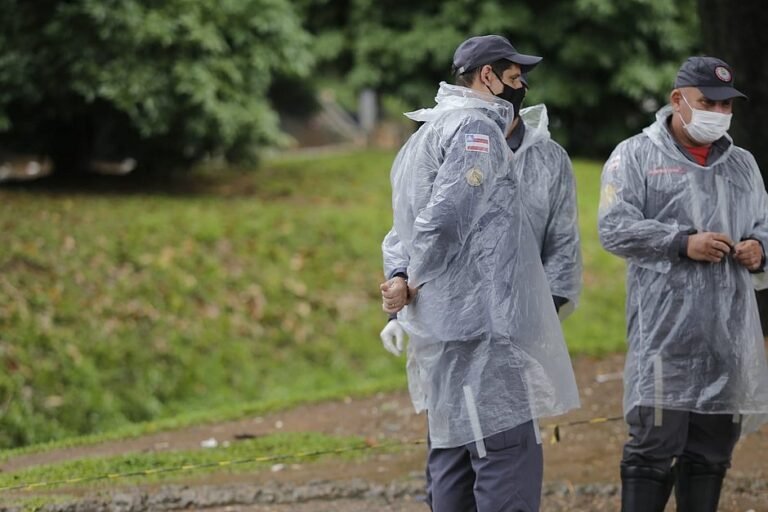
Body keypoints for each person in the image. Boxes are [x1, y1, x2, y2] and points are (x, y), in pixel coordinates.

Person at [379, 35, 580, 512]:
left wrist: (403, 277)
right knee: (504, 463)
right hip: (486, 331)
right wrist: (411, 279)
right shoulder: (476, 129)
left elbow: (403, 228)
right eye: (514, 75)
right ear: (487, 75)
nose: (521, 84)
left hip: (444, 331)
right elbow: (445, 218)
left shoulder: (427, 132)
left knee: (451, 457)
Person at [598, 56, 768, 512]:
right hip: (664, 337)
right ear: (678, 100)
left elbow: (764, 227)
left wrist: (758, 249)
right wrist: (680, 242)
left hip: (725, 337)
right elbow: (614, 227)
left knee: (711, 453)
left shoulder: (742, 165)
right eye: (707, 102)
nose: (719, 112)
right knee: (652, 448)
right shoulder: (635, 155)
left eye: (727, 105)